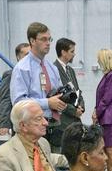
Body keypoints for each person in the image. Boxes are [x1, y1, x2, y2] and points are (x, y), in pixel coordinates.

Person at [10, 22, 69, 151]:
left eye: (49, 39)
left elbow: (57, 93)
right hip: (31, 130)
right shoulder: (22, 68)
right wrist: (47, 103)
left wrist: (61, 101)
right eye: (43, 39)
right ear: (32, 41)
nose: (48, 43)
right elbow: (18, 102)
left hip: (53, 127)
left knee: (52, 167)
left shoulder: (52, 68)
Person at [52, 37, 86, 139]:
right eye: (72, 51)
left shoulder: (70, 70)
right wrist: (73, 111)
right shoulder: (53, 69)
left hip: (74, 121)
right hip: (62, 122)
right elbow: (57, 97)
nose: (74, 54)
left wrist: (81, 107)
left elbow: (77, 91)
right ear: (63, 52)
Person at [0, 42, 29, 135]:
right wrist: (4, 124)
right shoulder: (11, 75)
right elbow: (4, 100)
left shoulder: (35, 74)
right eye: (26, 55)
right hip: (20, 124)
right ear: (18, 57)